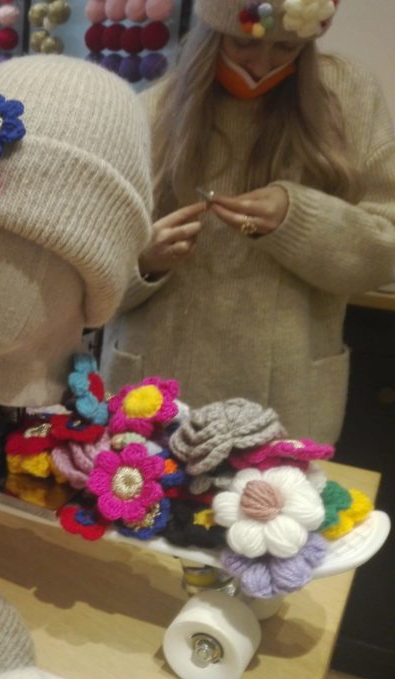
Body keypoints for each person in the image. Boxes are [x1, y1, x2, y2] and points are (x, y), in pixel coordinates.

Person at [101, 0, 395, 445]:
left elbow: (385, 251)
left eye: (286, 48)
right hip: (152, 405)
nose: (261, 64)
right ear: (210, 35)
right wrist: (144, 263)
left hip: (285, 406)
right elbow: (93, 288)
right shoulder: (148, 113)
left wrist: (299, 219)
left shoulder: (347, 97)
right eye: (243, 44)